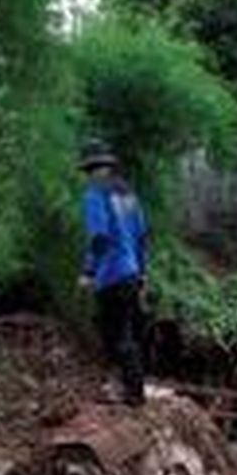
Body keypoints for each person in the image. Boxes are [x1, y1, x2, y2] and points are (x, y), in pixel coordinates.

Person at [78, 140, 149, 407]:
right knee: (127, 333)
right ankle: (133, 387)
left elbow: (99, 236)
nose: (89, 176)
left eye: (89, 171)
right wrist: (142, 275)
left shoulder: (95, 195)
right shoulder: (128, 194)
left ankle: (131, 393)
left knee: (114, 335)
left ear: (93, 169)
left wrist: (88, 271)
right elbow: (142, 236)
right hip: (131, 273)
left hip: (111, 275)